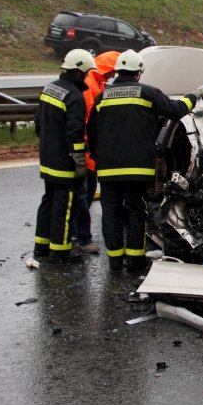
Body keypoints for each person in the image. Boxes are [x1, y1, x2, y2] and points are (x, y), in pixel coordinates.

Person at [87, 49, 195, 272]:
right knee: (136, 211)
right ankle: (135, 261)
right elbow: (175, 110)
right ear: (138, 73)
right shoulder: (147, 93)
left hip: (107, 169)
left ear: (117, 72)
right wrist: (193, 98)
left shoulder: (102, 97)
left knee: (111, 212)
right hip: (137, 168)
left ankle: (115, 261)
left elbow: (92, 131)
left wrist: (98, 158)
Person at [34, 49, 95, 264]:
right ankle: (60, 250)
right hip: (64, 162)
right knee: (65, 205)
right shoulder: (75, 96)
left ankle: (41, 245)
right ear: (79, 72)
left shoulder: (50, 88)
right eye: (87, 73)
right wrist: (79, 163)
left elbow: (39, 124)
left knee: (48, 201)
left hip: (47, 158)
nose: (87, 77)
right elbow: (75, 135)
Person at [71, 50, 120, 254]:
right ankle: (82, 237)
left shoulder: (97, 81)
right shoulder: (91, 83)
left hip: (88, 150)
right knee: (84, 195)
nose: (112, 77)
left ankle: (74, 233)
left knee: (83, 195)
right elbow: (86, 119)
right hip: (86, 151)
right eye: (112, 72)